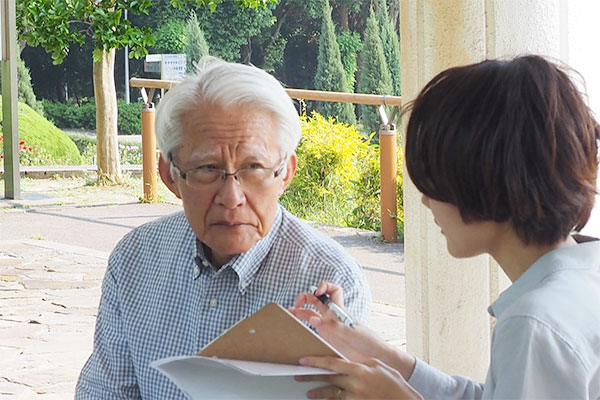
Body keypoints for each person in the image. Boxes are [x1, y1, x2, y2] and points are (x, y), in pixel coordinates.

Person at [291, 55, 600, 399]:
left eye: (433, 181)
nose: (425, 202)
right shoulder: (583, 277)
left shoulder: (534, 324)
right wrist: (379, 353)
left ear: (481, 179)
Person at [75, 57, 372, 398]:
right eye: (207, 168)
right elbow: (106, 391)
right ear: (170, 174)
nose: (231, 198)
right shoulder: (136, 260)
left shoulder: (330, 278)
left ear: (285, 173)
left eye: (254, 167)